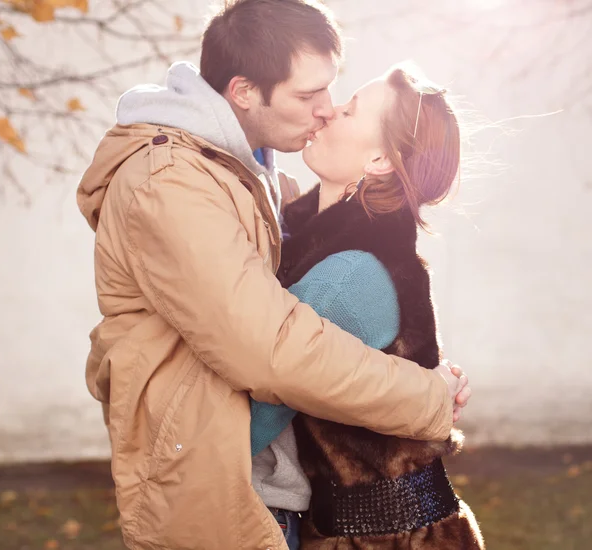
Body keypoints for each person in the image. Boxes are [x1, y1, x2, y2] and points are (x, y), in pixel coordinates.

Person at [76, 1, 470, 548]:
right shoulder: (177, 180)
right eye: (309, 96)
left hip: (252, 497)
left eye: (339, 98)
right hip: (218, 490)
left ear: (380, 160)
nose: (327, 111)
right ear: (243, 91)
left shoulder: (257, 187)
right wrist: (429, 397)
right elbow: (269, 353)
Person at [250, 64, 484, 549]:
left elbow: (248, 425)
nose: (328, 111)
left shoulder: (348, 275)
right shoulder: (315, 246)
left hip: (385, 538)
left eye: (349, 110)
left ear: (379, 158)